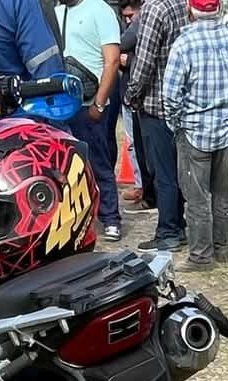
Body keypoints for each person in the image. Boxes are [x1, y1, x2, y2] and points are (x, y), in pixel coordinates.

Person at [163, 0, 228, 269]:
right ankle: (222, 249)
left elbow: (170, 95)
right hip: (225, 132)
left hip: (193, 132)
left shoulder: (184, 43)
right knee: (221, 193)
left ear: (190, 9)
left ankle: (201, 256)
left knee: (197, 198)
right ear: (220, 8)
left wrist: (177, 125)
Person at [56, 0, 124, 241]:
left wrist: (99, 102)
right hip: (62, 104)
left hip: (89, 102)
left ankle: (111, 218)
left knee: (98, 162)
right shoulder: (56, 11)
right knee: (66, 167)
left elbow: (112, 60)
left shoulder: (100, 10)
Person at [127, 0, 189, 251]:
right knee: (177, 170)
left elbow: (144, 62)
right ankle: (179, 224)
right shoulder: (180, 4)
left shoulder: (155, 8)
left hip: (156, 102)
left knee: (162, 173)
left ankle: (168, 232)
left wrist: (131, 94)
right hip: (181, 102)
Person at [119, 0, 152, 211]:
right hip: (129, 92)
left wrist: (128, 60)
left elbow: (120, 45)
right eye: (125, 17)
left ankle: (147, 190)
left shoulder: (144, 23)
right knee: (133, 144)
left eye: (131, 15)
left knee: (143, 146)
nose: (129, 21)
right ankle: (142, 186)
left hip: (140, 96)